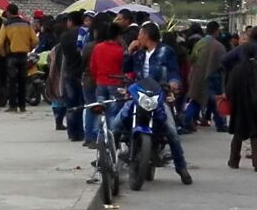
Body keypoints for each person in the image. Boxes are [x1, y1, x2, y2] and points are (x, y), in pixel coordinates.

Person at [124, 21, 193, 185]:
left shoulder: (166, 52)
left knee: (172, 132)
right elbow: (126, 68)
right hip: (139, 94)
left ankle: (181, 168)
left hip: (158, 96)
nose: (137, 37)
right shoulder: (138, 54)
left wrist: (174, 82)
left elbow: (174, 71)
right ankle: (112, 155)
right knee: (119, 120)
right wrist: (128, 51)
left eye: (139, 34)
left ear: (146, 35)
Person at [225, 44, 257, 172]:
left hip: (241, 106)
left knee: (238, 133)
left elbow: (230, 89)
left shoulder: (237, 69)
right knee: (256, 134)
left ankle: (234, 160)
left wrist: (231, 100)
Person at [185, 21, 227, 132]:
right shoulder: (218, 46)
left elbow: (192, 59)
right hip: (212, 78)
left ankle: (185, 122)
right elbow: (224, 63)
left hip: (197, 77)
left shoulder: (199, 43)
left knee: (197, 100)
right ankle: (221, 124)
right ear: (216, 31)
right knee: (214, 102)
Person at [0, 4, 37, 113]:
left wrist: (4, 54)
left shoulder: (6, 24)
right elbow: (35, 40)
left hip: (11, 56)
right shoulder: (26, 23)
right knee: (23, 81)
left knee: (12, 82)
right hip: (24, 56)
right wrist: (28, 47)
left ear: (8, 12)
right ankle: (22, 106)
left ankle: (13, 106)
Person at [89, 23, 127, 129]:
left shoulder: (97, 48)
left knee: (100, 112)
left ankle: (100, 137)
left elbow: (92, 67)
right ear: (118, 36)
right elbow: (124, 68)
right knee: (113, 112)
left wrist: (97, 77)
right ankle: (113, 136)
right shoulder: (120, 51)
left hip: (100, 83)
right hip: (115, 84)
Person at [58, 13, 84, 142]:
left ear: (70, 21)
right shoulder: (84, 34)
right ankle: (81, 131)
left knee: (71, 104)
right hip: (82, 72)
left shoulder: (65, 36)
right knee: (82, 103)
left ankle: (72, 133)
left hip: (69, 72)